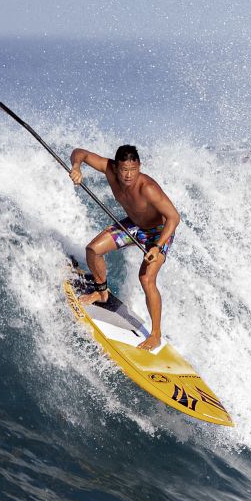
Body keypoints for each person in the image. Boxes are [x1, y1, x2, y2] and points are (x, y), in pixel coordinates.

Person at [68, 144, 182, 351]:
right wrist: (76, 167)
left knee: (146, 279)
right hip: (134, 225)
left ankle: (155, 334)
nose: (129, 175)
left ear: (139, 166)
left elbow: (174, 218)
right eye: (124, 170)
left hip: (159, 232)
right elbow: (80, 153)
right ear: (116, 167)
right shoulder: (108, 168)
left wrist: (156, 247)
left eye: (134, 169)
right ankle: (102, 292)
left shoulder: (147, 187)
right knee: (93, 250)